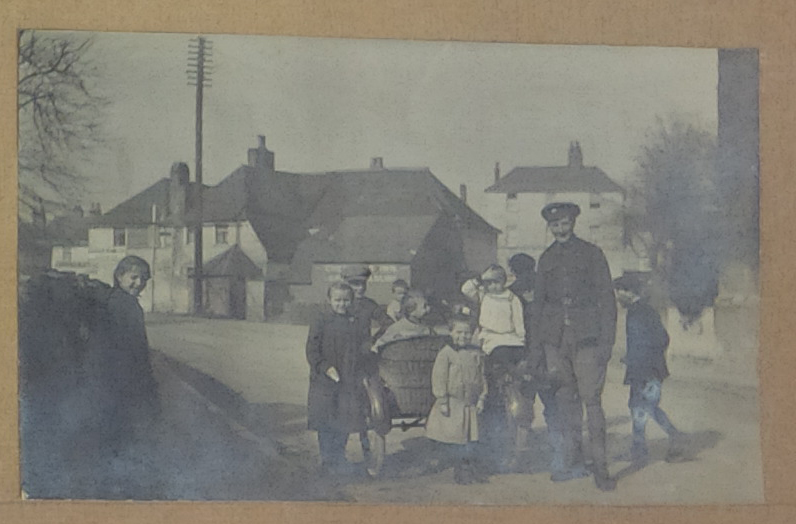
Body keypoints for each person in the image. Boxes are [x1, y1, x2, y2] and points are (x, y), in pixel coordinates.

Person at [530, 202, 618, 491]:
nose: (560, 229)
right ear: (549, 227)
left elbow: (607, 300)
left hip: (587, 338)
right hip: (555, 340)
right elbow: (538, 305)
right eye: (554, 224)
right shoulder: (546, 259)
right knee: (566, 402)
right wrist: (537, 349)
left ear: (573, 223)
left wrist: (607, 342)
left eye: (564, 223)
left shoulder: (592, 254)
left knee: (592, 401)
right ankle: (574, 461)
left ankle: (601, 468)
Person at [614, 274, 685, 465]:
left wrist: (644, 362)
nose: (618, 296)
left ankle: (674, 436)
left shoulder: (638, 313)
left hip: (645, 371)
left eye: (619, 291)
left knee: (646, 407)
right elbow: (662, 339)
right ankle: (639, 449)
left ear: (629, 292)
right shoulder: (645, 310)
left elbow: (651, 341)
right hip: (646, 368)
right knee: (638, 407)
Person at [461, 264, 526, 472]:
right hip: (490, 339)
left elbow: (519, 320)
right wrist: (480, 278)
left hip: (511, 339)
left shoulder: (512, 298)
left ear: (504, 281)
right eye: (488, 283)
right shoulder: (483, 295)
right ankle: (492, 391)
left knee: (512, 363)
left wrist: (521, 339)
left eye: (496, 282)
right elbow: (466, 289)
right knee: (488, 365)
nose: (492, 286)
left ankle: (511, 389)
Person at [305, 281, 371, 475]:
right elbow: (312, 350)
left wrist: (366, 358)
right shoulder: (321, 320)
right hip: (324, 381)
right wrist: (325, 368)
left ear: (352, 301)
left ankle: (339, 456)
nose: (342, 304)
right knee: (325, 420)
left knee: (344, 419)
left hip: (349, 379)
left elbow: (363, 346)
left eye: (346, 300)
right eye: (337, 300)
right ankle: (327, 460)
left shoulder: (355, 321)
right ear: (329, 300)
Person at [425, 316, 488, 484]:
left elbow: (481, 377)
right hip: (453, 404)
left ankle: (469, 469)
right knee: (455, 440)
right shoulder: (446, 353)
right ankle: (459, 471)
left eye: (467, 333)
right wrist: (442, 400)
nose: (463, 336)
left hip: (469, 404)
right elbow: (439, 377)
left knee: (470, 440)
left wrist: (481, 398)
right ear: (451, 332)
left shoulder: (476, 353)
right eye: (458, 332)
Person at [342, 264, 393, 343]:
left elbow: (388, 323)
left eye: (363, 283)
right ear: (347, 284)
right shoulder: (337, 303)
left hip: (362, 347)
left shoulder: (369, 304)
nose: (361, 288)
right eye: (356, 284)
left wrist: (375, 339)